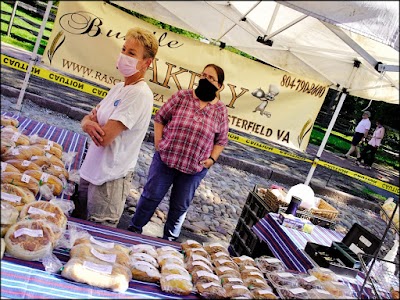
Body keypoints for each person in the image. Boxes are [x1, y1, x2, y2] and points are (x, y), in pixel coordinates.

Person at [128, 64, 229, 241]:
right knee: (151, 196)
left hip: (193, 169)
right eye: (203, 75)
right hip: (166, 160)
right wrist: (158, 142)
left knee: (179, 206)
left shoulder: (220, 110)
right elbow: (160, 118)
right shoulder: (182, 96)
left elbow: (221, 140)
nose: (205, 79)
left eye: (211, 78)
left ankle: (169, 241)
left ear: (219, 86)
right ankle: (133, 229)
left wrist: (212, 159)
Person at [72, 27, 159, 227]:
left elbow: (104, 138)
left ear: (147, 62)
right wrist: (87, 123)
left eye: (131, 53)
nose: (124, 56)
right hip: (91, 171)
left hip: (109, 181)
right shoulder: (119, 88)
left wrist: (90, 124)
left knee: (96, 240)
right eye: (124, 49)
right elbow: (90, 117)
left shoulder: (139, 94)